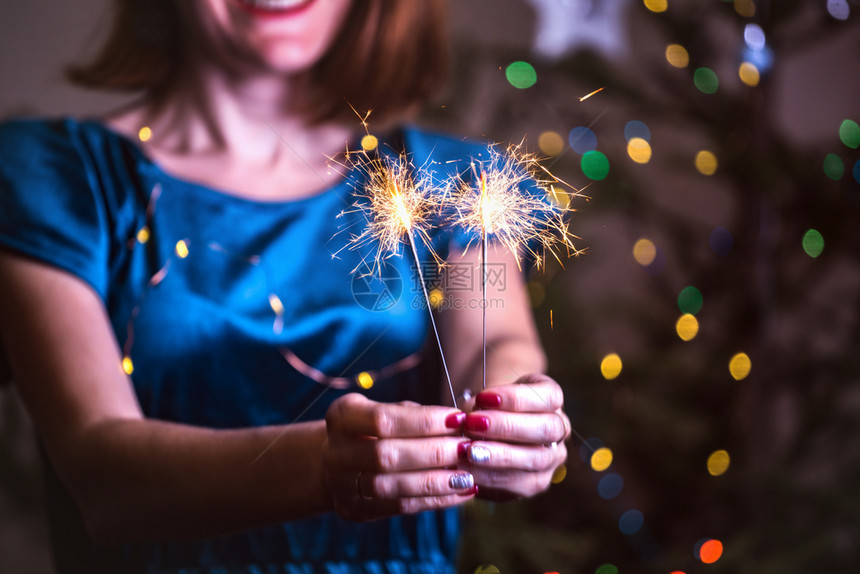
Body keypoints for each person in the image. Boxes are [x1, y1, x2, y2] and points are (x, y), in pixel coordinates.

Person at [0, 0, 570, 572]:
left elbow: (492, 343)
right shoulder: (54, 181)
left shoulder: (459, 181)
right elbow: (104, 483)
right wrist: (325, 463)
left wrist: (515, 413)